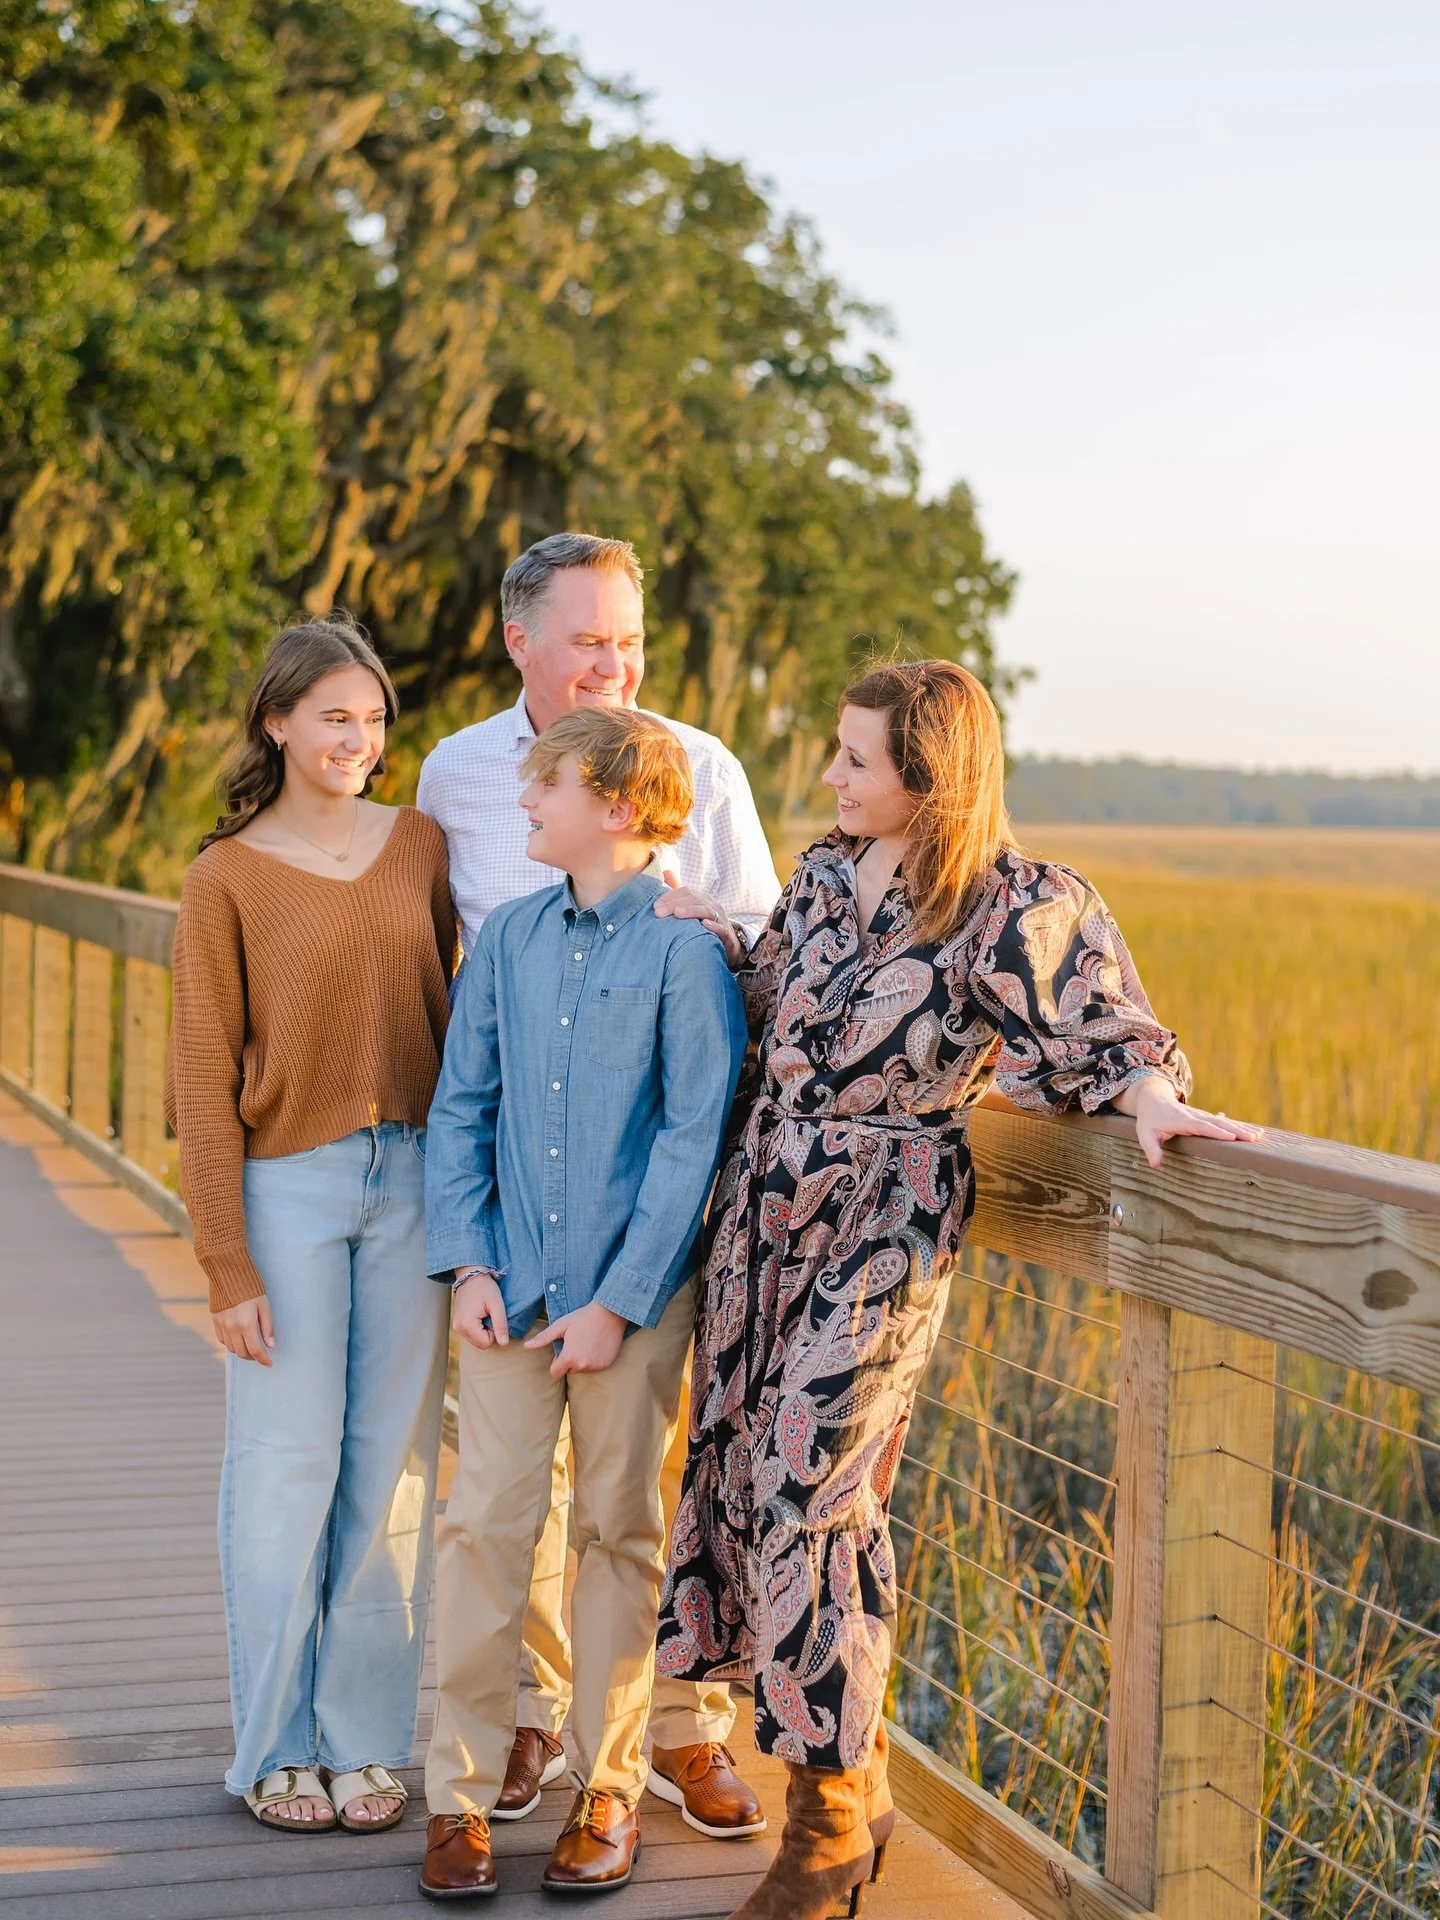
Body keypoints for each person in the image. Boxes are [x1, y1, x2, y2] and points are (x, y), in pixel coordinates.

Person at [654, 659, 1263, 1920]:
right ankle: (859, 1783)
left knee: (810, 1490)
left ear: (931, 779)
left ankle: (822, 1829)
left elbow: (1101, 1025)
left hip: (886, 1225)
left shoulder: (1012, 902)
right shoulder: (824, 875)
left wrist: (1154, 1102)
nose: (832, 775)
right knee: (753, 1477)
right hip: (764, 1211)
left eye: (857, 758)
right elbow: (768, 1005)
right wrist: (710, 931)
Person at [416, 531, 779, 1837]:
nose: (615, 664)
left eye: (629, 640)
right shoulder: (457, 773)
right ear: (522, 641)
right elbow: (455, 1023)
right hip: (515, 1217)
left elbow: (761, 948)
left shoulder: (701, 766)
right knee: (500, 1509)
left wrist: (701, 933)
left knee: (634, 1501)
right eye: (589, 641)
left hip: (639, 1225)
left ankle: (656, 1740)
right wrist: (465, 1249)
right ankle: (523, 1729)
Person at [166, 618, 457, 1836]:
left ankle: (364, 1741)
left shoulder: (419, 845)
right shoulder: (225, 877)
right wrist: (224, 1262)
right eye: (336, 716)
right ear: (278, 722)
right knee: (287, 1465)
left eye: (374, 719)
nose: (359, 740)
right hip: (286, 1187)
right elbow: (199, 1072)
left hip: (416, 1183)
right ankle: (278, 1745)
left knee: (391, 1470)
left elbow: (455, 1013)